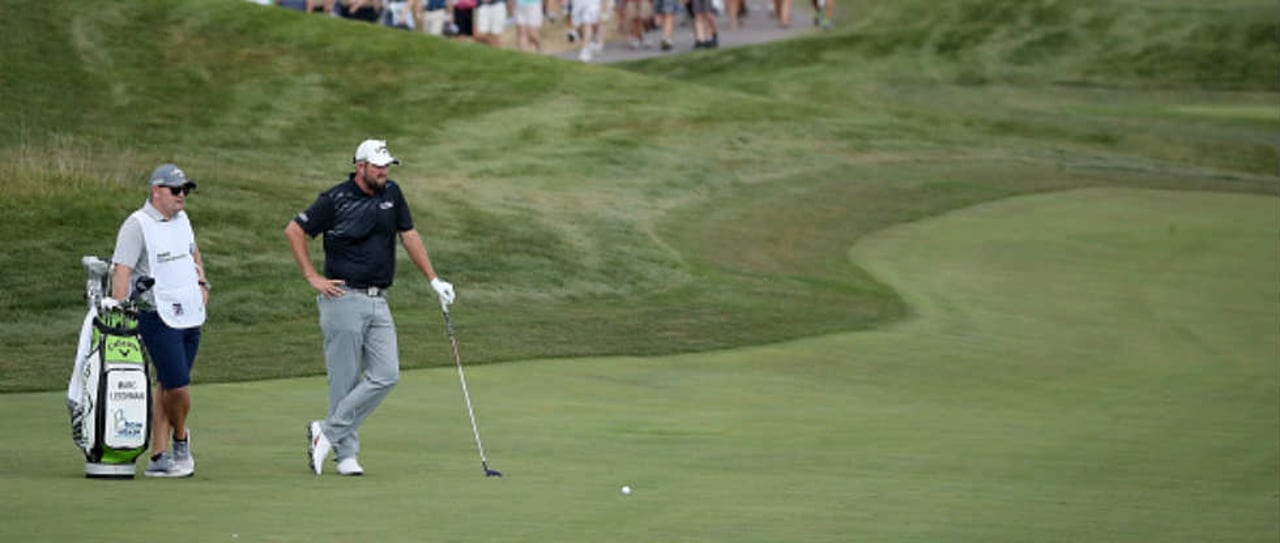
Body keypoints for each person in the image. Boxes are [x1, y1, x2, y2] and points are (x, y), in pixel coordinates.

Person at [285, 139, 456, 477]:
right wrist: (312, 277)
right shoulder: (335, 199)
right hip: (342, 297)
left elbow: (409, 236)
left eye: (387, 166)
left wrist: (433, 280)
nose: (383, 172)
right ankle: (346, 454)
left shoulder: (392, 194)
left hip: (379, 301)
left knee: (387, 374)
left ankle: (327, 432)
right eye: (377, 166)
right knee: (344, 380)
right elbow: (294, 231)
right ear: (360, 166)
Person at [110, 164, 209, 478]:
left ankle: (158, 455)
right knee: (178, 386)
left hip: (189, 312)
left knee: (166, 384)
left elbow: (193, 254)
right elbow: (122, 270)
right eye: (176, 190)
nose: (182, 196)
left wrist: (203, 284)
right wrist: (119, 312)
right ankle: (181, 439)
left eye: (185, 191)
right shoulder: (136, 224)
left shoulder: (183, 220)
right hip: (157, 315)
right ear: (156, 190)